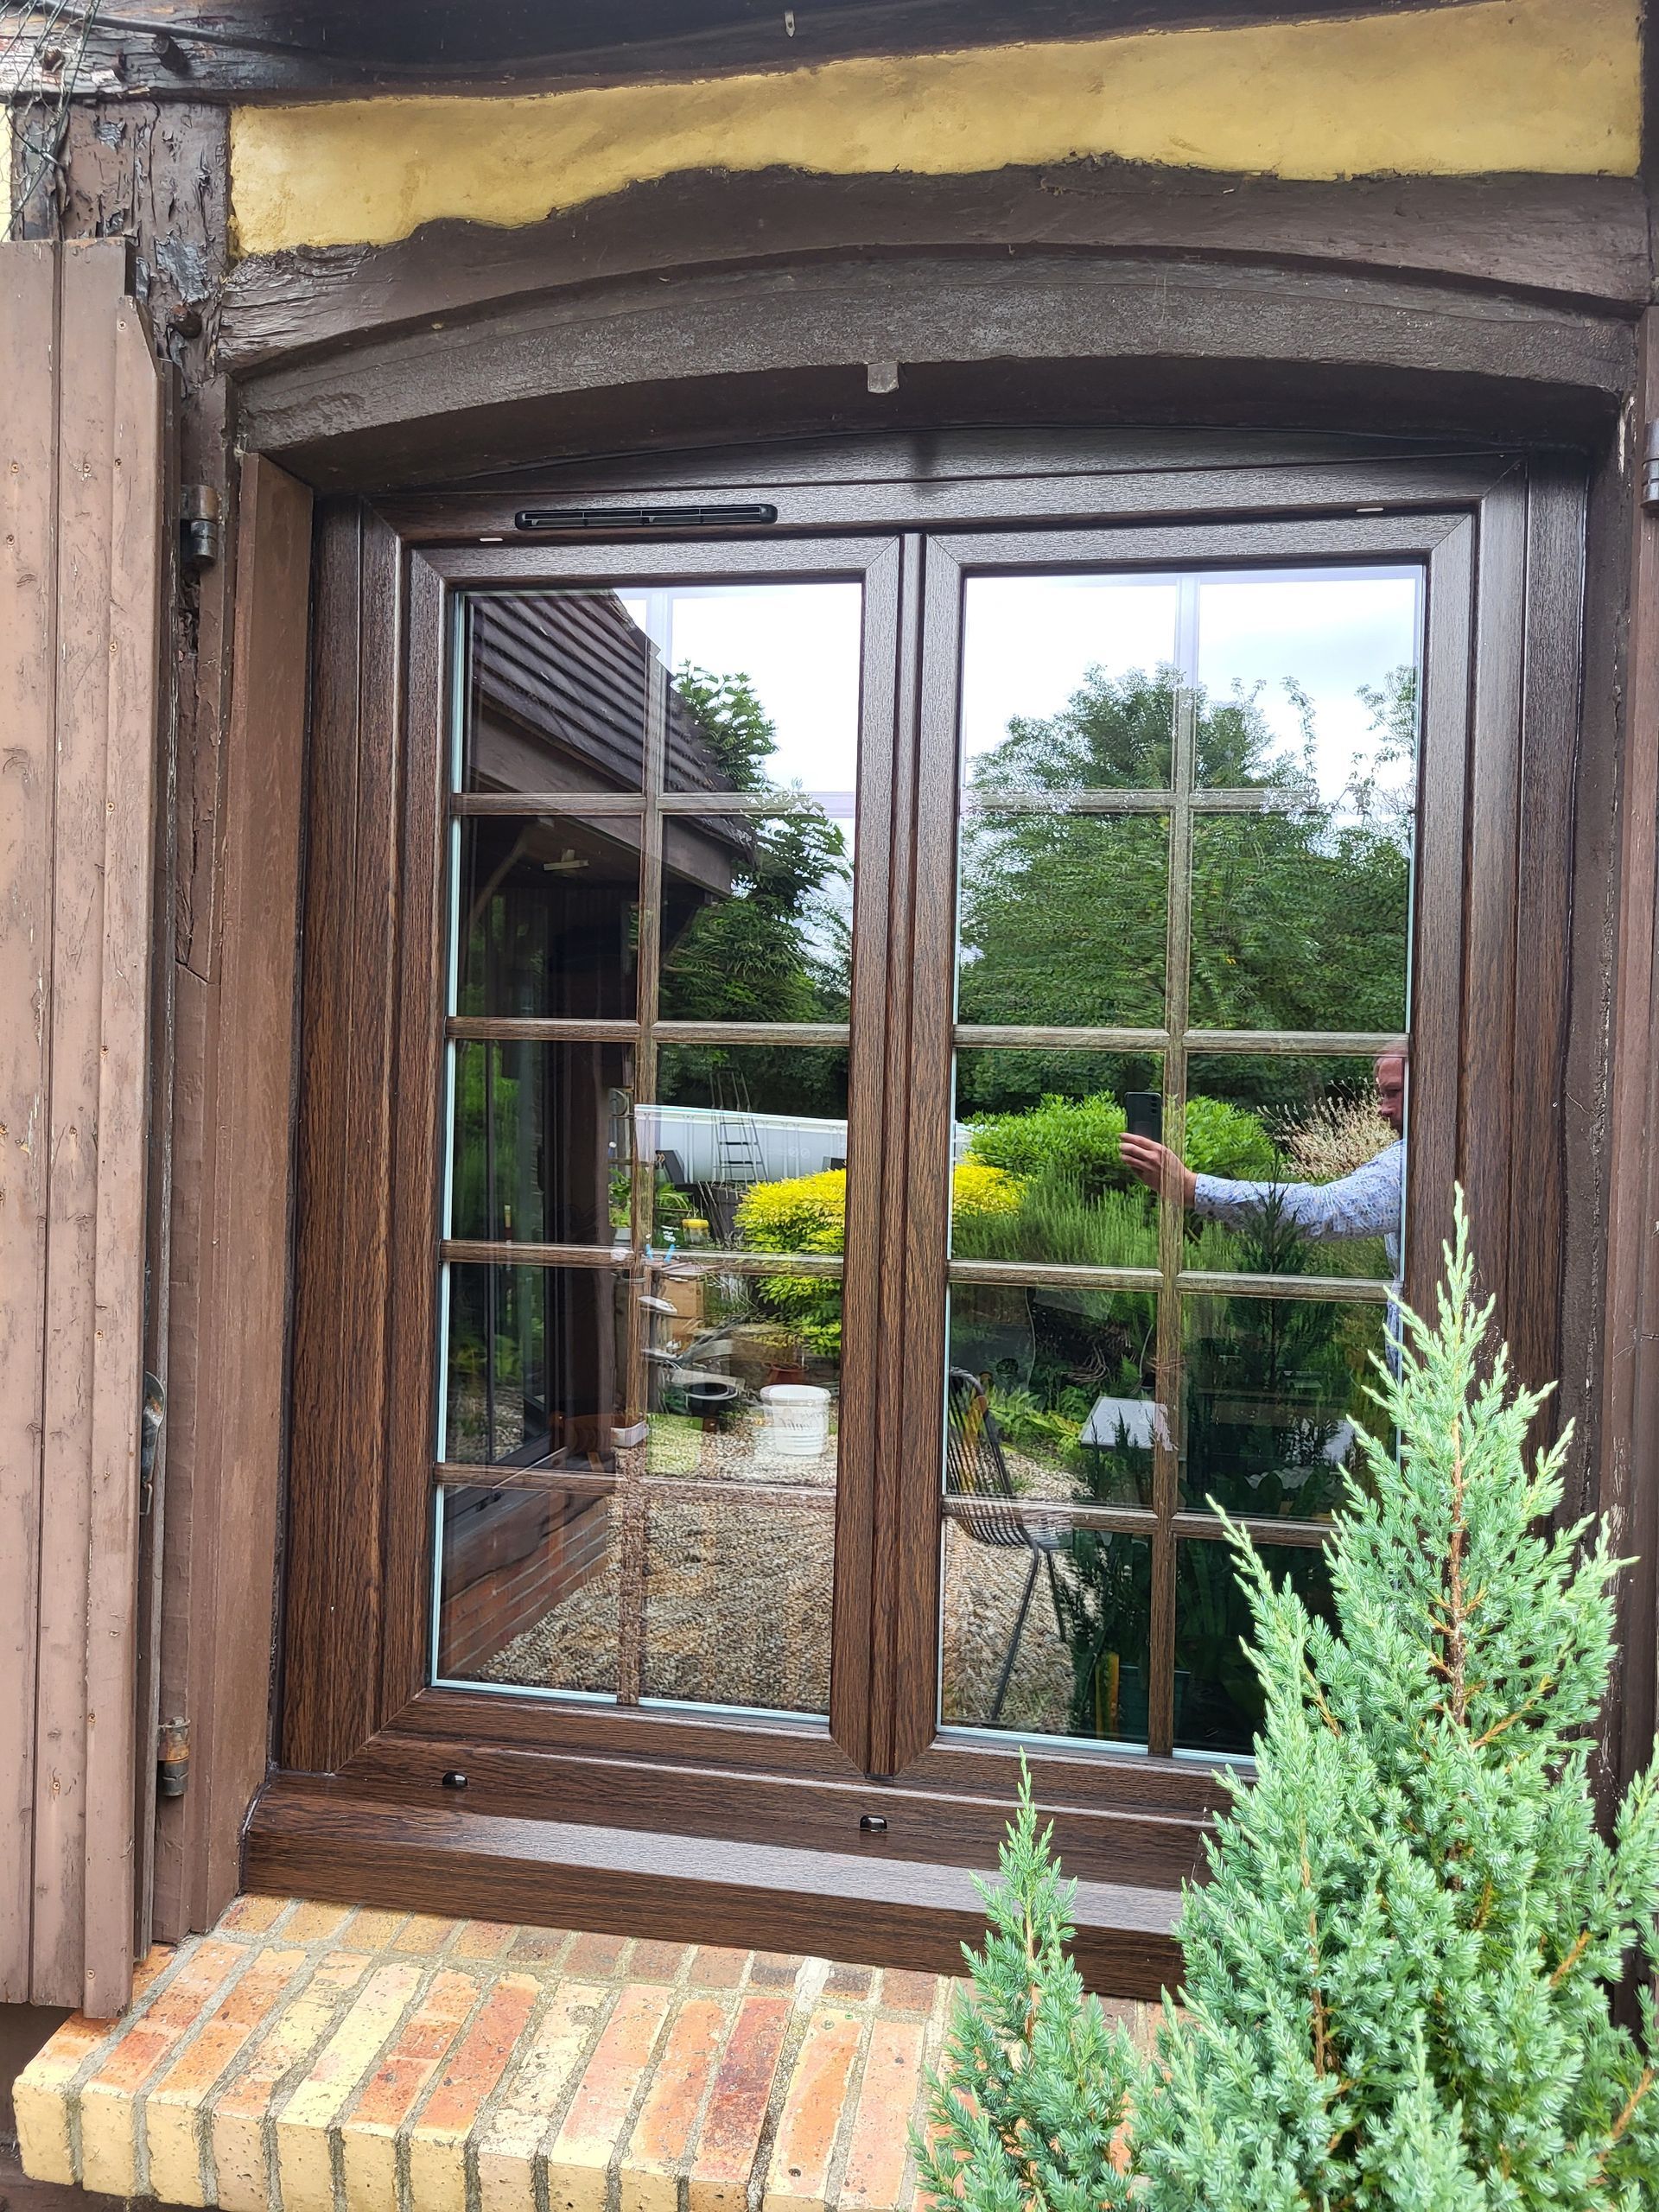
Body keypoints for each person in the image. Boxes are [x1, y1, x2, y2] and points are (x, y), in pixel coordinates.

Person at [1119, 1051, 1407, 1274]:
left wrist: (1191, 1187)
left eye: (1393, 1092)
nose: (1383, 1109)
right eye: (1381, 1094)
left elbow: (1325, 1210)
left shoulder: (1416, 1163)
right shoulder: (1422, 1154)